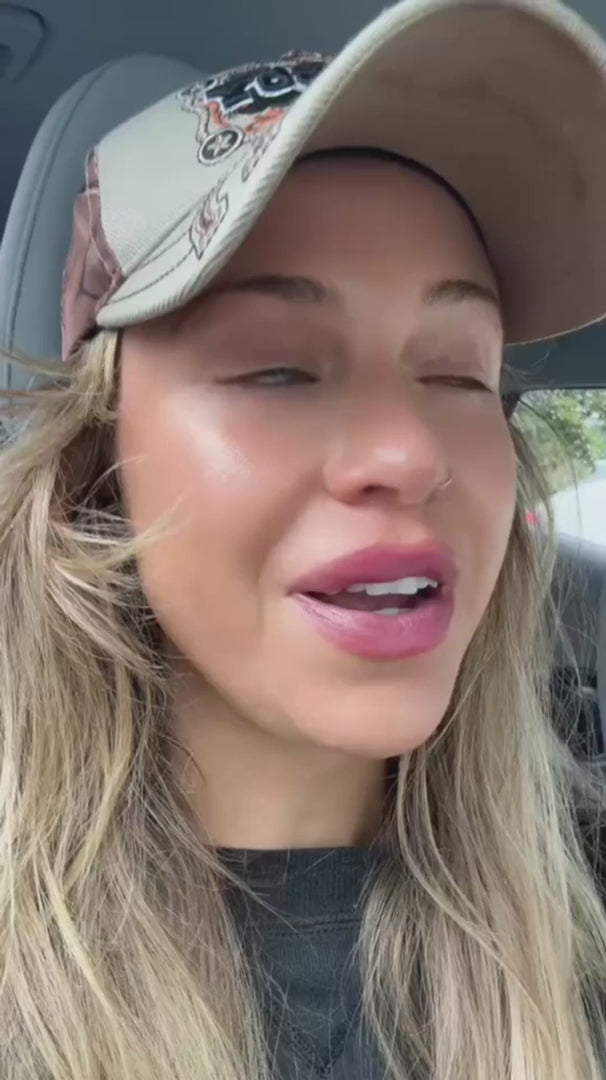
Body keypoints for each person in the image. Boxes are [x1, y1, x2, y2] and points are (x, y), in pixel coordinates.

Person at [2, 0, 606, 1076]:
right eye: (278, 368)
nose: (411, 451)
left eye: (459, 373)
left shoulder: (582, 912)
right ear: (101, 455)